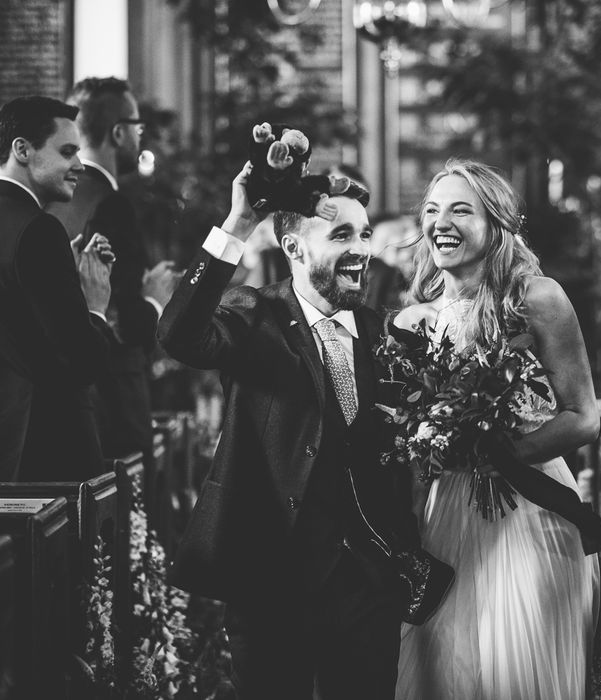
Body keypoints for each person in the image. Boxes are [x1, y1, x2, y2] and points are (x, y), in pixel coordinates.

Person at [159, 161, 421, 699]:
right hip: (271, 582)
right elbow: (178, 335)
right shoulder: (254, 316)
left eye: (366, 234)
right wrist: (234, 226)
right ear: (294, 248)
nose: (362, 248)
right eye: (342, 233)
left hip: (369, 588)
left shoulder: (386, 334)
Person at [393, 159, 601, 699]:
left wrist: (500, 453)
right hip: (449, 517)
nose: (443, 221)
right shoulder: (415, 320)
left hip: (531, 510)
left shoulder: (537, 299)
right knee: (449, 670)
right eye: (434, 210)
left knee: (518, 668)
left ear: (496, 223)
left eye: (462, 209)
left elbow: (583, 418)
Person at [47, 77, 179, 459]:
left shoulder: (53, 198)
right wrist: (155, 300)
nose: (141, 137)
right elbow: (116, 317)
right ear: (119, 133)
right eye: (138, 127)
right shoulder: (111, 205)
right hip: (114, 399)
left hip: (63, 398)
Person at [0, 95, 113, 481]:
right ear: (23, 150)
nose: (79, 165)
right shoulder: (39, 230)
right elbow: (81, 360)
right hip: (44, 453)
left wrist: (57, 270)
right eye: (67, 152)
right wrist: (95, 307)